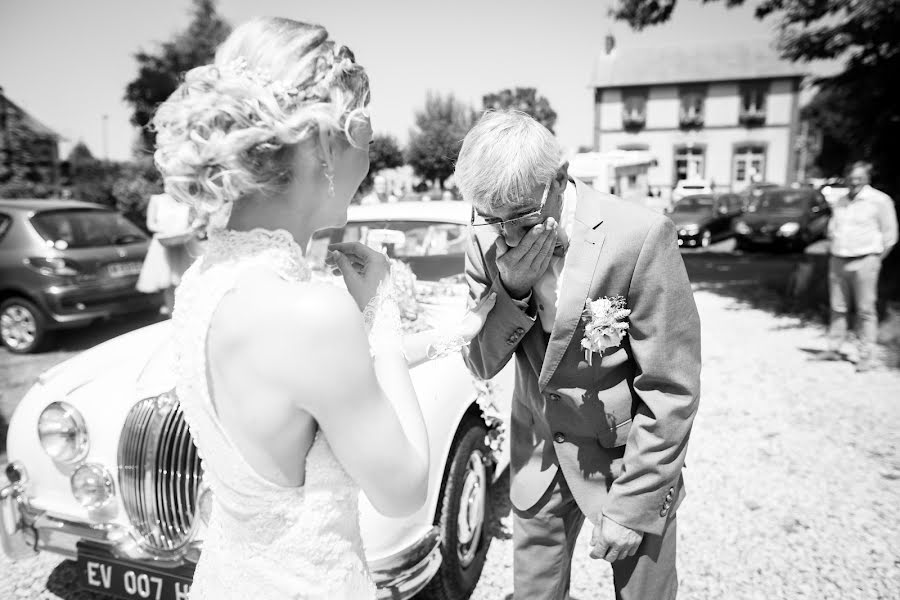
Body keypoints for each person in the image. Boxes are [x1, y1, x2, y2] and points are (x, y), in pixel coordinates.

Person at [152, 17, 492, 599]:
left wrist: (448, 335)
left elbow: (315, 393)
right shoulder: (311, 312)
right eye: (366, 127)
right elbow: (406, 490)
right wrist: (381, 309)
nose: (373, 149)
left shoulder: (205, 280)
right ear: (326, 142)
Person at [456, 110, 701, 600]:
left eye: (520, 216)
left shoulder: (639, 236)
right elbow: (479, 362)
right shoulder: (484, 243)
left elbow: (671, 385)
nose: (505, 233)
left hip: (627, 460)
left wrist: (635, 505)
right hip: (540, 454)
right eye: (491, 217)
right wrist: (512, 291)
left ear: (560, 177)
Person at [821, 161, 898, 372]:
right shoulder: (841, 201)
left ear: (867, 179)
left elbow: (890, 237)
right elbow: (832, 229)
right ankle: (834, 347)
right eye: (851, 178)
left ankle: (866, 355)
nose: (854, 182)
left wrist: (875, 260)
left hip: (865, 260)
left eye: (859, 178)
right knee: (838, 307)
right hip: (838, 259)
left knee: (865, 310)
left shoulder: (880, 201)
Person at [136, 192, 200, 315]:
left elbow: (195, 221)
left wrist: (190, 229)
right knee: (169, 284)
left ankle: (192, 313)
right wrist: (166, 231)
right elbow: (151, 224)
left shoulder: (187, 199)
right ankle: (173, 315)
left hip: (185, 244)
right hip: (164, 245)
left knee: (190, 281)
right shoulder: (156, 199)